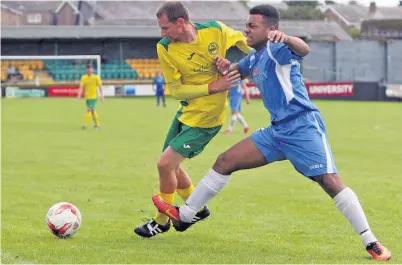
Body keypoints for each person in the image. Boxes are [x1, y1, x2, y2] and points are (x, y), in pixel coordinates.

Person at [152, 4, 391, 261]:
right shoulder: (254, 57)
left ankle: (371, 241)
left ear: (271, 30)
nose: (246, 30)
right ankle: (185, 216)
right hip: (276, 132)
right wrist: (224, 67)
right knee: (224, 162)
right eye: (247, 25)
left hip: (302, 127)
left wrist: (286, 38)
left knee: (329, 181)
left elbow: (303, 49)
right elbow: (235, 72)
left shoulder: (278, 49)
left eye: (252, 26)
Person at [134, 1, 251, 238]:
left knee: (165, 164)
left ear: (180, 23)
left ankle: (162, 221)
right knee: (171, 167)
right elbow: (176, 90)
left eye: (165, 28)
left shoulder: (215, 30)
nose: (162, 34)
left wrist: (236, 65)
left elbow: (248, 45)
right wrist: (212, 86)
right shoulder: (165, 47)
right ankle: (198, 208)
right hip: (186, 112)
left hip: (207, 119)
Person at [77, 64, 104, 129]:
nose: (89, 70)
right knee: (93, 111)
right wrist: (79, 95)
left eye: (90, 68)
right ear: (86, 70)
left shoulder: (96, 77)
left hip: (94, 97)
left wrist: (101, 96)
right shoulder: (83, 77)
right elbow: (81, 87)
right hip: (87, 97)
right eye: (88, 68)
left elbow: (100, 87)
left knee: (89, 109)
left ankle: (84, 125)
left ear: (92, 69)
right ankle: (97, 125)